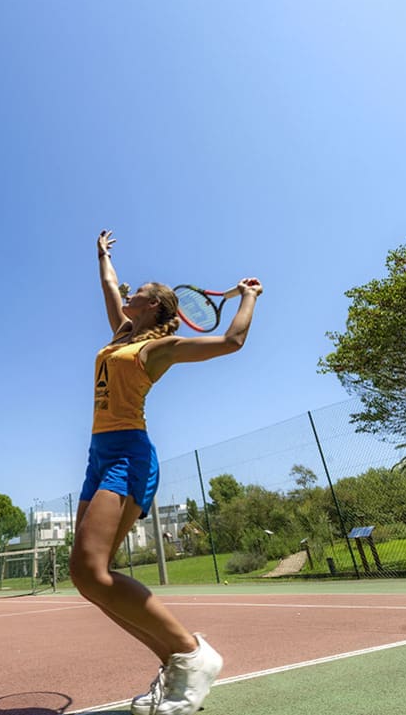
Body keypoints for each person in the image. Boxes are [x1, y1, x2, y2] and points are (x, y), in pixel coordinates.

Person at [69, 230, 262, 715]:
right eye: (129, 295)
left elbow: (233, 341)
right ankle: (177, 666)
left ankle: (194, 654)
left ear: (154, 308)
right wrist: (102, 255)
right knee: (87, 576)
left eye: (138, 295)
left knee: (91, 572)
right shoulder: (121, 335)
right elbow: (111, 288)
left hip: (128, 456)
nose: (128, 296)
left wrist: (249, 297)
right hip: (98, 454)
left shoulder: (159, 348)